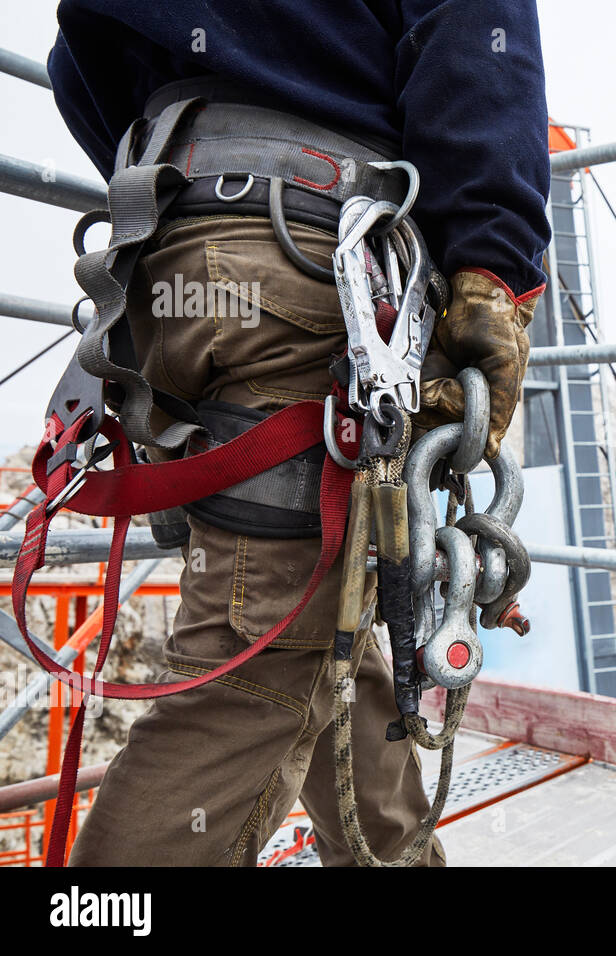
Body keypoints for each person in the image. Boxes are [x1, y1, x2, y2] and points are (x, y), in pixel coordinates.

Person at [44, 0, 551, 866]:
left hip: (166, 257)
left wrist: (196, 175)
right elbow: (473, 38)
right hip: (305, 253)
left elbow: (77, 55)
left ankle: (393, 856)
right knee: (256, 670)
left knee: (314, 610)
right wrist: (491, 268)